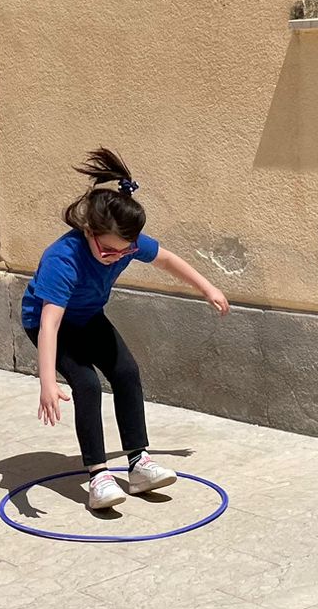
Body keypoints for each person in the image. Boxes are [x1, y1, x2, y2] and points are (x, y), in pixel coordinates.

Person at [22, 148, 230, 510]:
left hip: (88, 315)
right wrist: (47, 383)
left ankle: (138, 463)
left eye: (124, 252)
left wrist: (208, 288)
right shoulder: (63, 259)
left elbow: (168, 260)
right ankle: (98, 476)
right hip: (47, 323)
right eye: (108, 252)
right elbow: (49, 325)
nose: (116, 258)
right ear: (89, 232)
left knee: (126, 372)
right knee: (87, 384)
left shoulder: (126, 243)